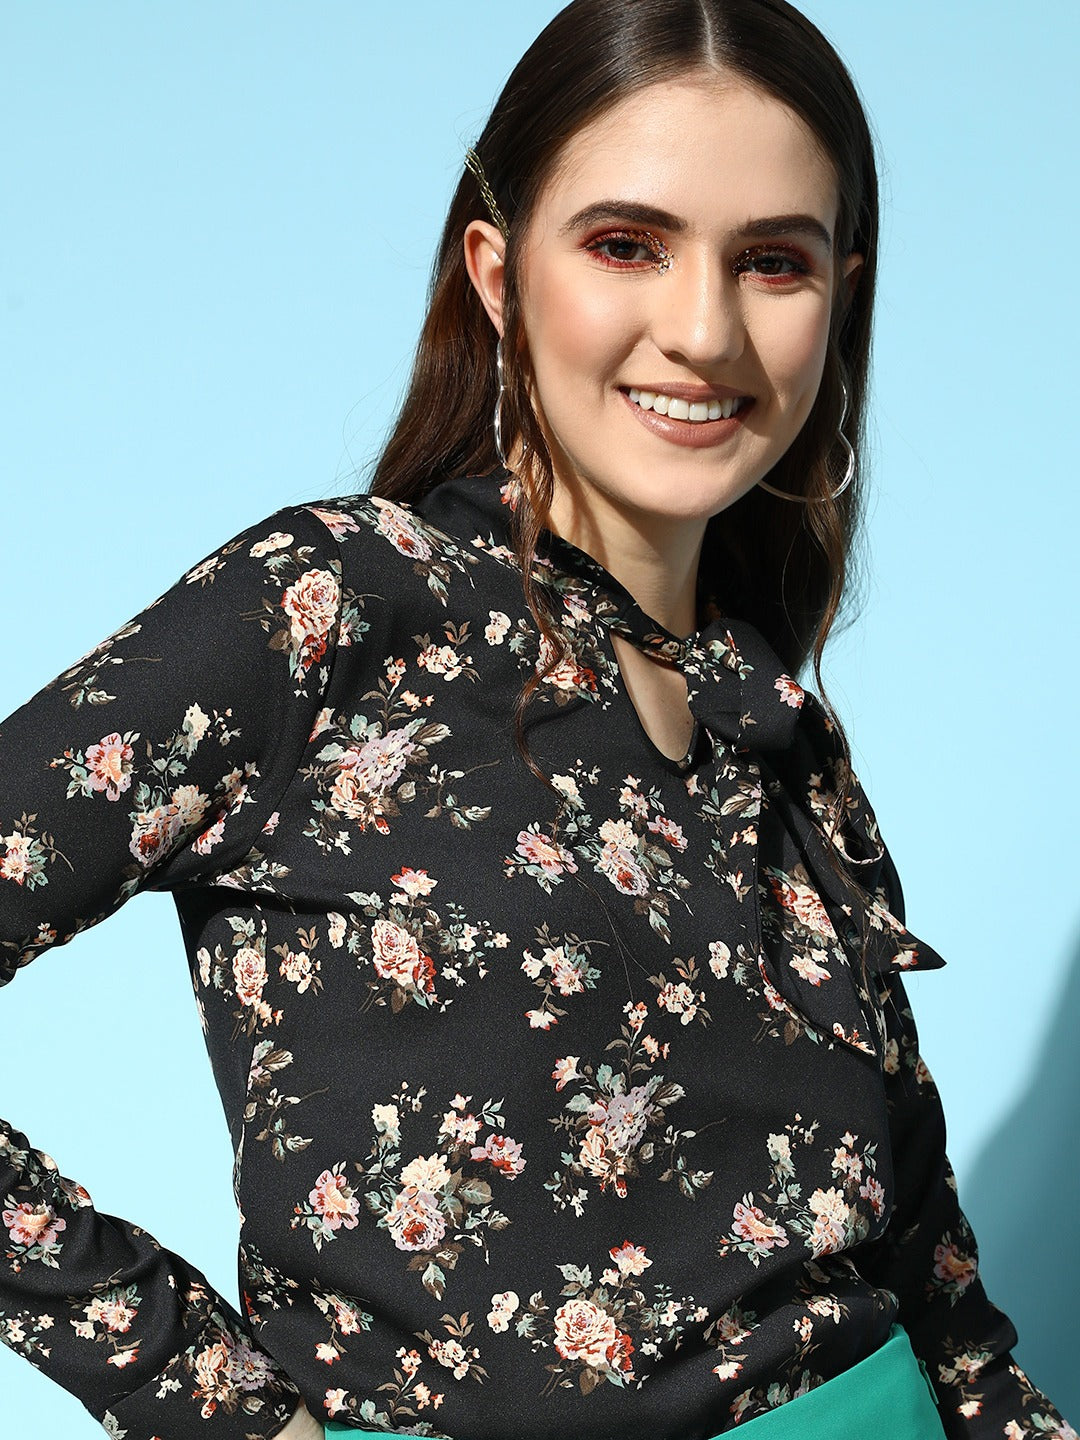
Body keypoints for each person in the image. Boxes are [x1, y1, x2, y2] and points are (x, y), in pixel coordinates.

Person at [0, 1, 1074, 1438]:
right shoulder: (333, 608)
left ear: (840, 299)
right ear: (498, 275)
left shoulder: (769, 720)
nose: (703, 331)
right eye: (628, 244)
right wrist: (214, 1406)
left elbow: (931, 1276)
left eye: (773, 262)